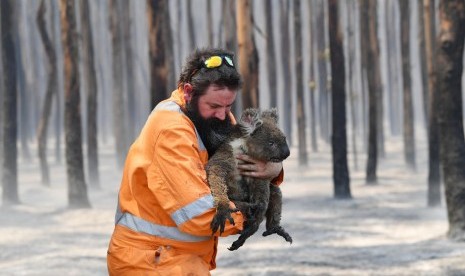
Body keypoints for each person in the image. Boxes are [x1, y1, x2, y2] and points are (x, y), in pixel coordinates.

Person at [106, 48, 284, 275]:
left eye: (229, 106)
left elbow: (244, 167)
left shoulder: (212, 119)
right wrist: (254, 213)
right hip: (149, 262)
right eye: (215, 106)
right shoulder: (171, 131)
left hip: (179, 259)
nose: (224, 114)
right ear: (189, 92)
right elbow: (198, 214)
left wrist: (273, 169)